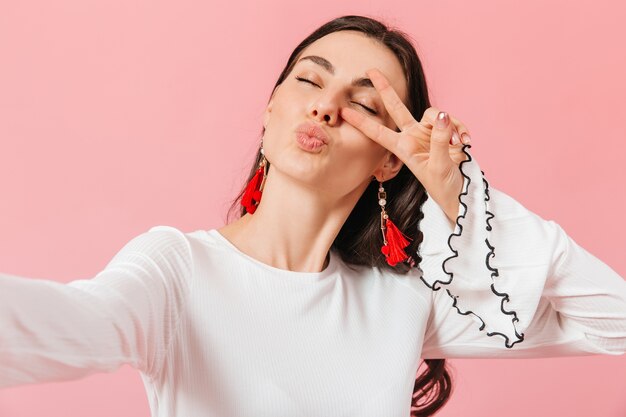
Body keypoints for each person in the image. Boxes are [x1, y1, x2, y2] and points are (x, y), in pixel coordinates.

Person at [1, 14, 625, 417]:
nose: (326, 108)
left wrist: (460, 193)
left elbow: (613, 325)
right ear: (271, 109)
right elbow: (63, 325)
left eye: (362, 104)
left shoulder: (401, 302)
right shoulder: (177, 271)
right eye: (309, 81)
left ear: (388, 160)